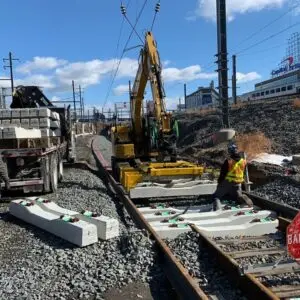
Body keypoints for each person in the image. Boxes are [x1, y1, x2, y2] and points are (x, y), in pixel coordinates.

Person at [212, 143, 253, 211]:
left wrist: (219, 182)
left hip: (228, 181)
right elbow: (243, 172)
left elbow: (223, 173)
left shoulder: (229, 161)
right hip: (238, 182)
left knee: (216, 196)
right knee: (238, 196)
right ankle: (249, 204)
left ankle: (217, 210)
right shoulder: (243, 161)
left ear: (230, 152)